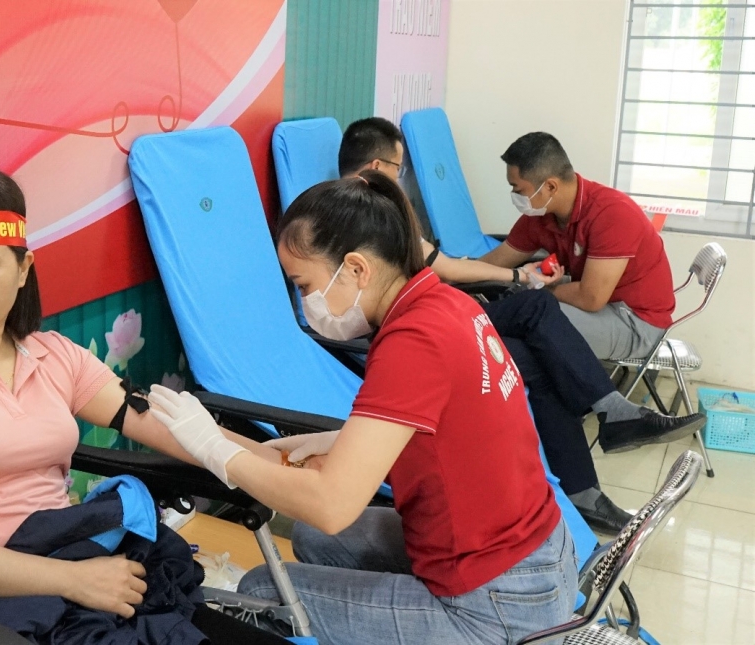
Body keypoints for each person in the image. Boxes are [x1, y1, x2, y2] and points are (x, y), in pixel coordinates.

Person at [0, 166, 289, 645]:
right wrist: (73, 580)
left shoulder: (53, 355)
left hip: (80, 565)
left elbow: (164, 424)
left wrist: (280, 463)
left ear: (23, 269)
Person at [148, 170, 579, 645]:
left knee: (263, 591)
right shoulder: (447, 304)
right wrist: (344, 439)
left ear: (355, 269)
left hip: (497, 602)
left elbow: (331, 505)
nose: (305, 302)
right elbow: (460, 426)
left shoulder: (412, 341)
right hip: (539, 554)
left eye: (304, 285)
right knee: (312, 538)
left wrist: (217, 451)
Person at [336, 117, 704, 531]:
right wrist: (517, 280)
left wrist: (511, 282)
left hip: (617, 319)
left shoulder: (380, 211)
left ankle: (585, 487)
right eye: (398, 168)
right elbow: (445, 269)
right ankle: (610, 426)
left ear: (550, 186)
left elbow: (448, 269)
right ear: (377, 167)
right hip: (424, 322)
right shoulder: (359, 215)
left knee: (541, 353)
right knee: (538, 317)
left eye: (518, 188)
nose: (403, 177)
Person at [481, 132, 676, 363]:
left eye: (518, 189)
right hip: (599, 306)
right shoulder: (541, 215)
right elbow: (495, 262)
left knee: (530, 321)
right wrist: (452, 274)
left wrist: (538, 289)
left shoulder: (612, 214)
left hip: (635, 322)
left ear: (550, 186)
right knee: (515, 312)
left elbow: (590, 298)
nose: (514, 196)